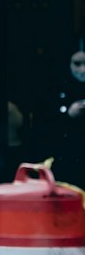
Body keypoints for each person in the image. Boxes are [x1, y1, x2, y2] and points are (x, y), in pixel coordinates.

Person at [55, 49, 85, 187]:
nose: (83, 69)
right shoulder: (58, 88)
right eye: (77, 64)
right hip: (68, 156)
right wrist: (68, 113)